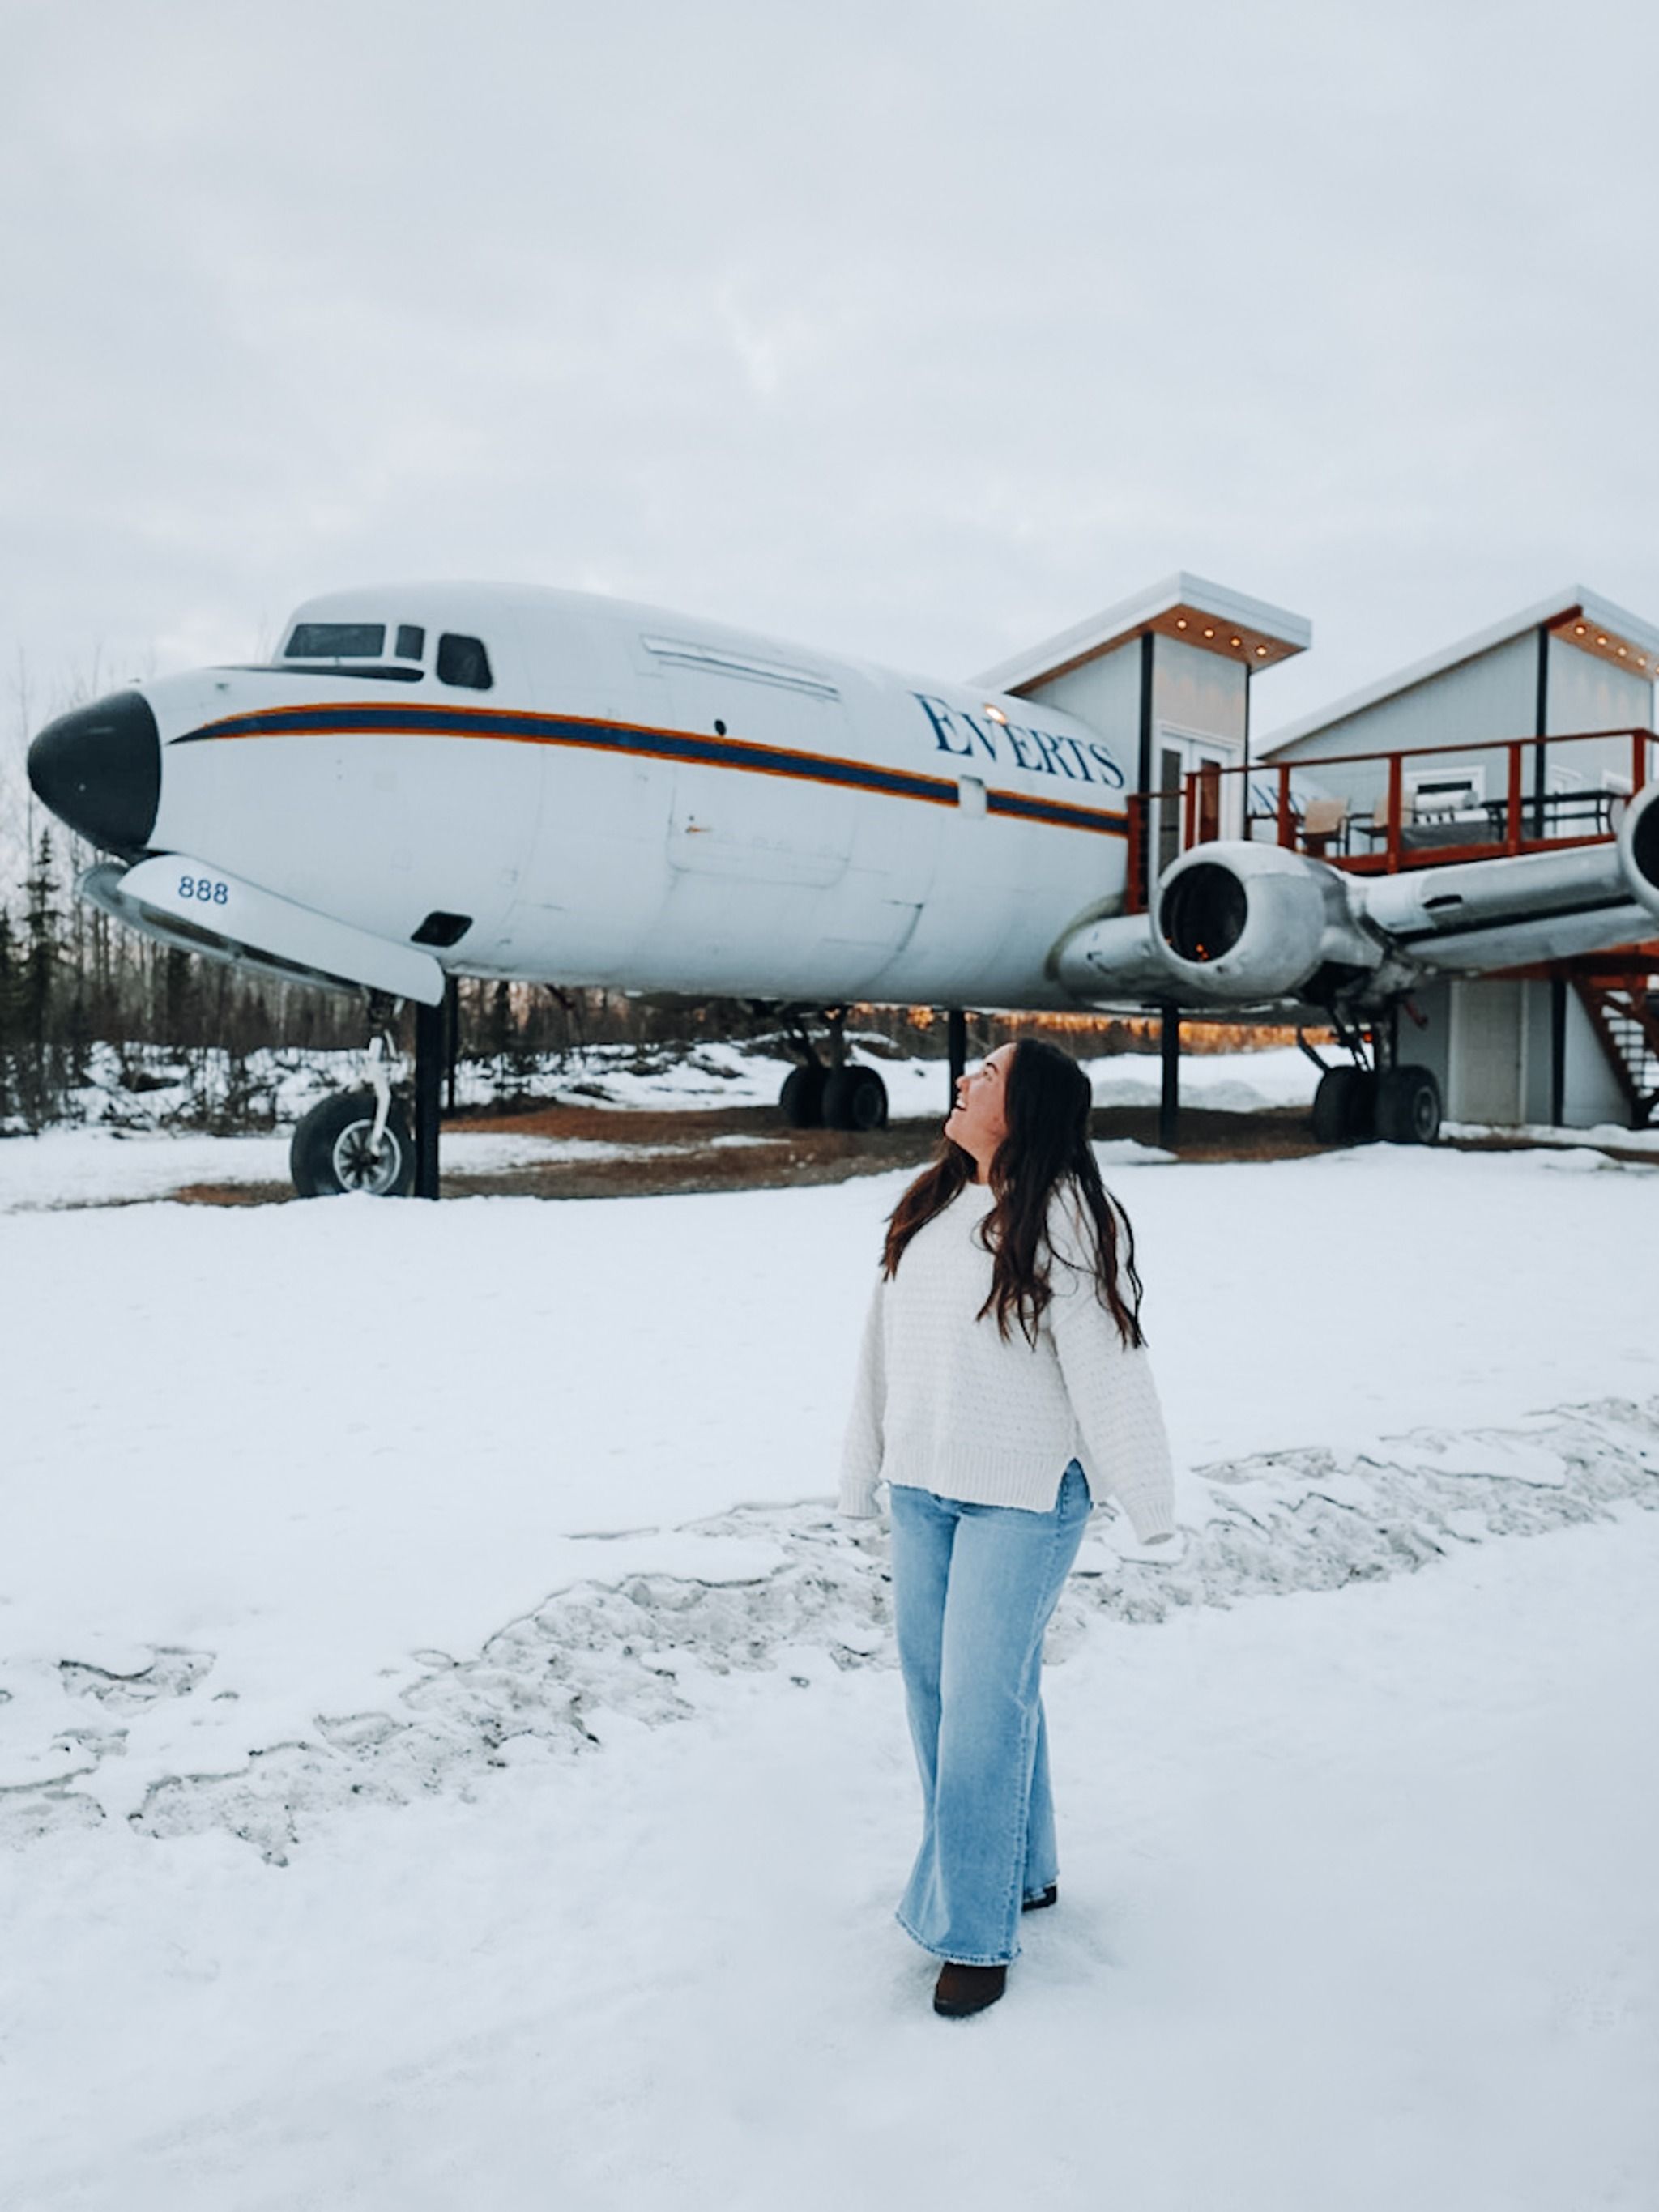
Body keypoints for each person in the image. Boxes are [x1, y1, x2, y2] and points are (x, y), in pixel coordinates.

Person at [838, 1036, 1175, 2018]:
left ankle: (972, 1932)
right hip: (921, 1489)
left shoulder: (1065, 1213)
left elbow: (1110, 1363)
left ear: (1024, 1107)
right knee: (939, 1695)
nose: (962, 1080)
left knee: (980, 1708)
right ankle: (1018, 1870)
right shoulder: (931, 1202)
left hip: (1022, 1496)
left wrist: (1148, 1500)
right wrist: (860, 1470)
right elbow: (878, 1351)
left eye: (984, 1074)